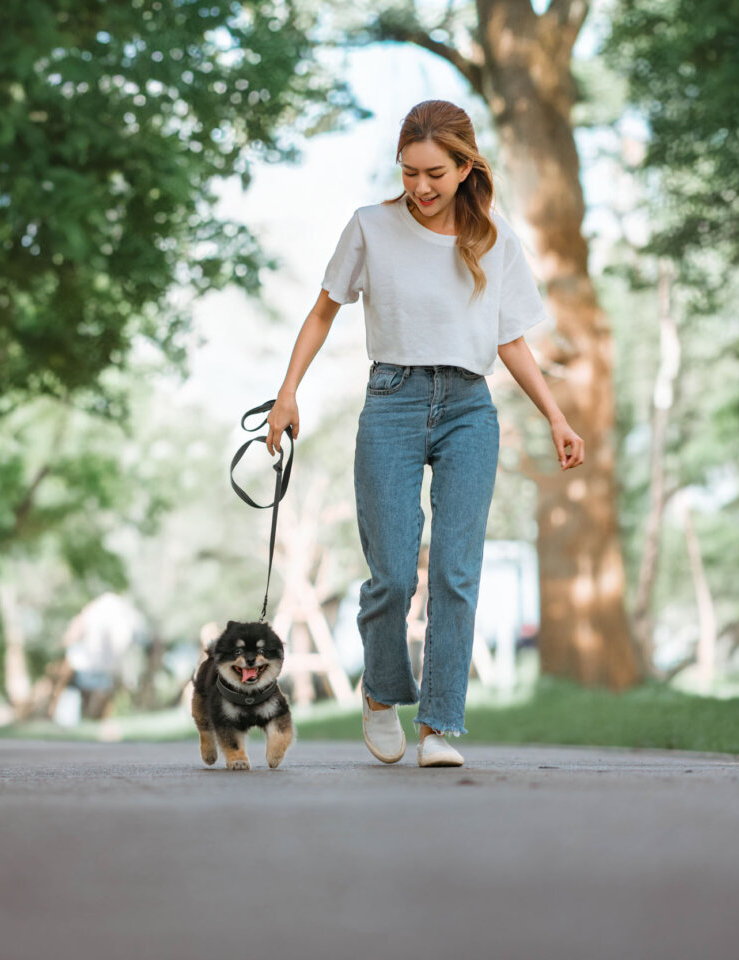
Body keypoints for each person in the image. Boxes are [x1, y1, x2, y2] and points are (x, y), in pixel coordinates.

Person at [265, 99, 585, 768]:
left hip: (470, 408)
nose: (421, 187)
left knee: (457, 572)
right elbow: (323, 313)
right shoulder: (370, 227)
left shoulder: (495, 242)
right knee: (390, 572)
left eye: (435, 172)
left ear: (467, 167)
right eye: (409, 172)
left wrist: (556, 417)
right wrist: (287, 393)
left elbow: (514, 343)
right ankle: (381, 694)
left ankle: (439, 725)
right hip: (392, 402)